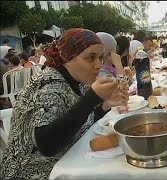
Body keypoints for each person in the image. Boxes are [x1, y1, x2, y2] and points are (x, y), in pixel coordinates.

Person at [0, 28, 129, 179]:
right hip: (30, 173)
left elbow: (79, 122)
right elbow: (47, 144)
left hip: (64, 162)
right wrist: (91, 98)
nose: (98, 65)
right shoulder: (47, 85)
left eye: (100, 58)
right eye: (90, 58)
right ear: (68, 57)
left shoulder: (76, 81)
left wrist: (105, 105)